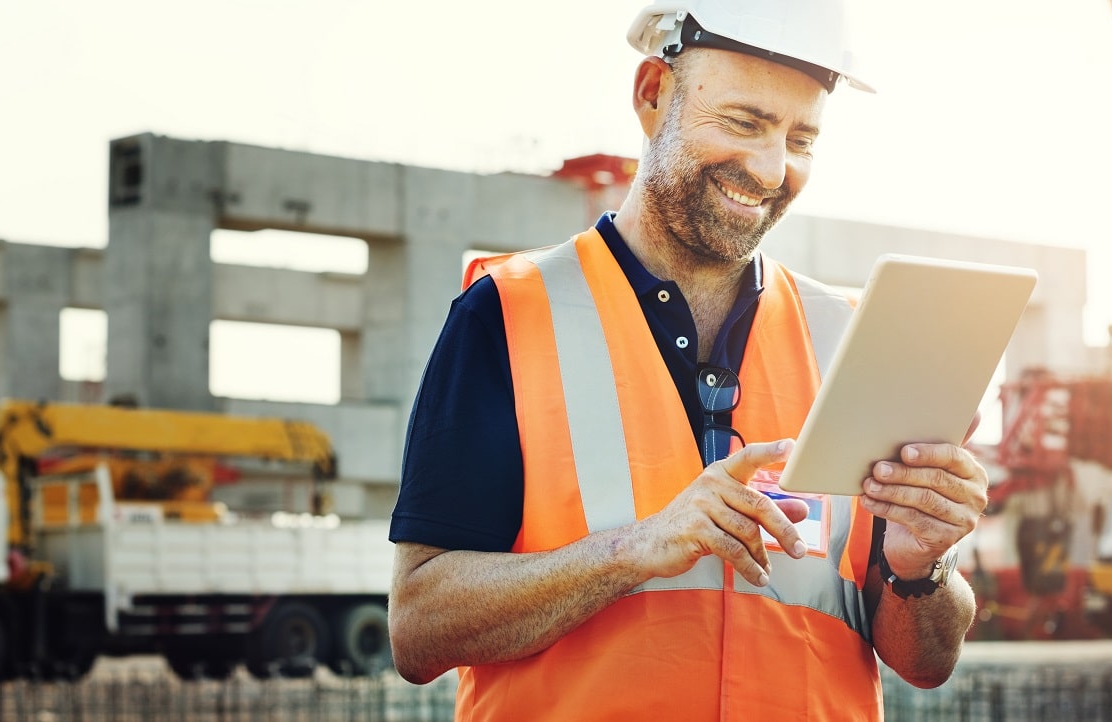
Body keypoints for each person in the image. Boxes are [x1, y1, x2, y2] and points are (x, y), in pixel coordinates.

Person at [387, 1, 987, 719]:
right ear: (652, 95)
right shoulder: (509, 314)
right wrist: (634, 549)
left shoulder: (852, 341)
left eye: (801, 139)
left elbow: (926, 662)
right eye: (744, 122)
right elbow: (418, 631)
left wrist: (925, 567)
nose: (771, 169)